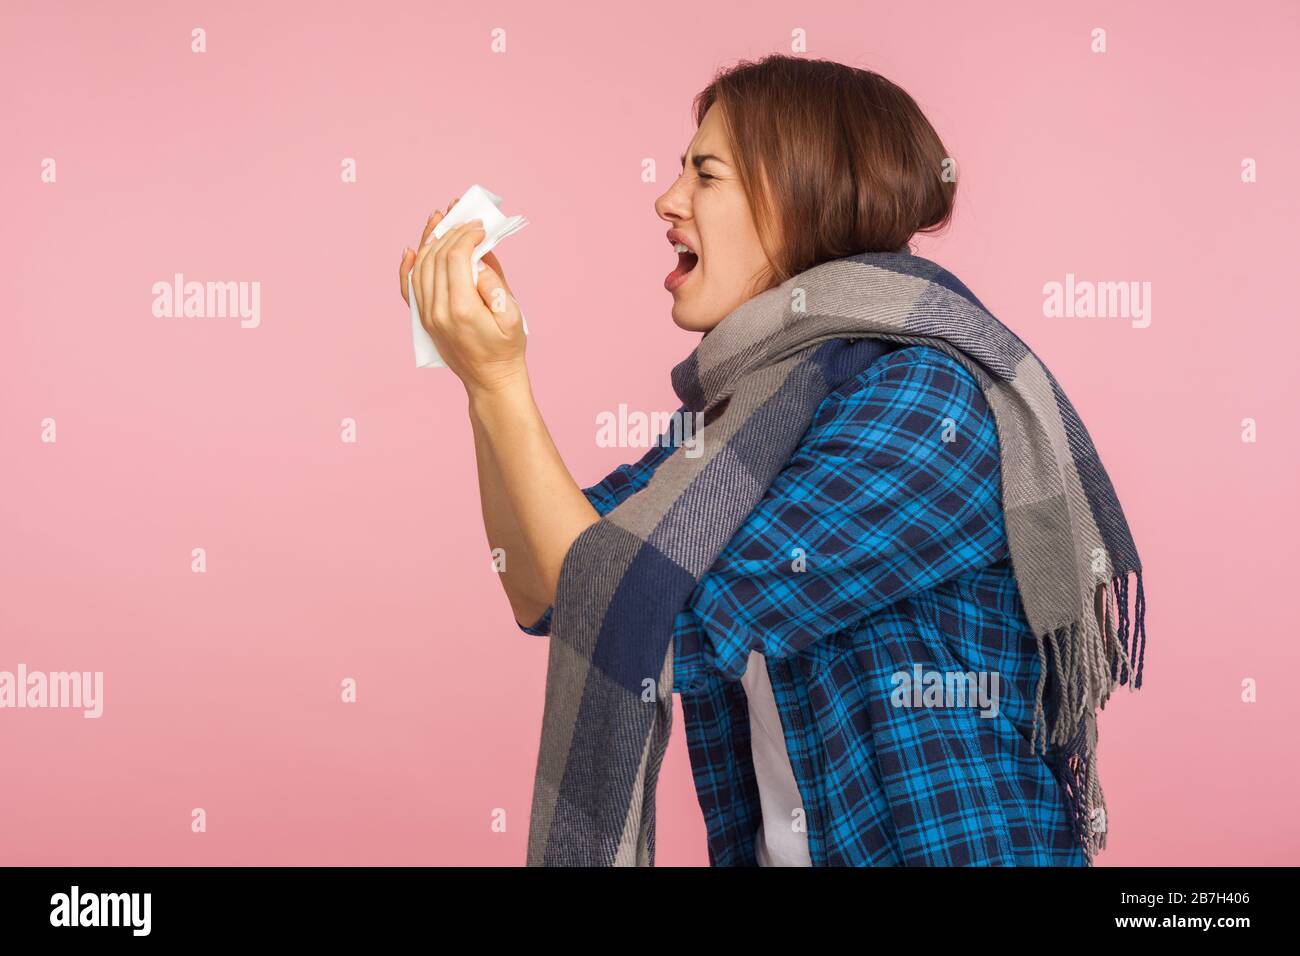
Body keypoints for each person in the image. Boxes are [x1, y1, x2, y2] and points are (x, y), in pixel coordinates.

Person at [398, 55, 1116, 866]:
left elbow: (639, 626)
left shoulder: (926, 401)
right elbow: (553, 589)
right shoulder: (755, 415)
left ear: (800, 196)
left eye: (705, 175)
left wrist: (501, 380)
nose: (666, 200)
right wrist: (483, 382)